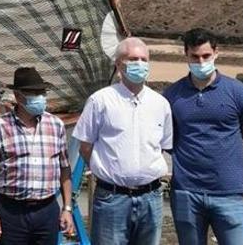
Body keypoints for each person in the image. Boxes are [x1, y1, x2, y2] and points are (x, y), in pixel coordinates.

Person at [163, 28, 243, 245]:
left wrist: (230, 163)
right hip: (186, 194)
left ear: (216, 53)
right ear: (186, 55)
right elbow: (167, 139)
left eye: (206, 56)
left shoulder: (240, 93)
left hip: (228, 193)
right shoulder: (172, 95)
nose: (201, 62)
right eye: (195, 57)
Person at [73, 37, 172, 245]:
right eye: (133, 59)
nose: (139, 64)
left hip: (151, 198)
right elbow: (85, 147)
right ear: (119, 64)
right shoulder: (100, 100)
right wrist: (110, 170)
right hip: (112, 199)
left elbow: (161, 147)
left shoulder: (160, 104)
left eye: (144, 59)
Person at [0, 67, 74, 245]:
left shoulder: (56, 125)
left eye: (42, 92)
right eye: (34, 93)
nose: (40, 97)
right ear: (18, 97)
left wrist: (67, 208)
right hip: (10, 211)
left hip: (47, 210)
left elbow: (65, 169)